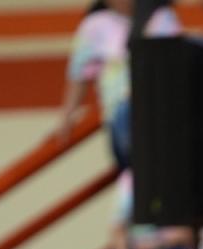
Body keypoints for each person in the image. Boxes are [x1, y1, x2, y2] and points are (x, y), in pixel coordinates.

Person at [56, 0, 181, 166]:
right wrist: (67, 119)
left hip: (159, 109)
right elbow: (79, 75)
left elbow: (173, 66)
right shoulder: (96, 24)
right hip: (123, 115)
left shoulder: (161, 17)